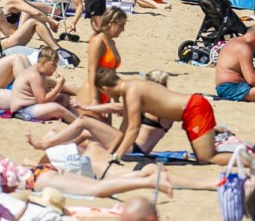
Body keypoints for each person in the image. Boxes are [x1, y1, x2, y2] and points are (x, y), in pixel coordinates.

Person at [100, 69, 234, 166]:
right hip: (192, 108)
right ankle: (244, 158)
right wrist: (112, 151)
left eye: (103, 93)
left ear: (106, 88)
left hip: (194, 108)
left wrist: (117, 156)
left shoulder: (132, 91)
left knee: (207, 158)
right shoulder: (131, 86)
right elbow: (124, 126)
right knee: (204, 156)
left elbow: (133, 128)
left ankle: (246, 159)